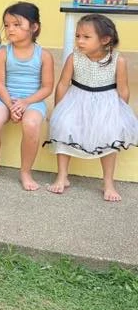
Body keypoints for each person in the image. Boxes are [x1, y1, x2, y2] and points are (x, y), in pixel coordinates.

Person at [45, 15, 138, 201]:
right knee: (63, 126)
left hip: (107, 103)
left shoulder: (118, 61)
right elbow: (63, 84)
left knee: (109, 134)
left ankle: (108, 182)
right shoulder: (74, 58)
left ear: (105, 40)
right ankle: (62, 176)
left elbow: (123, 90)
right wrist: (58, 109)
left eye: (86, 37)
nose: (80, 41)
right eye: (78, 36)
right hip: (77, 98)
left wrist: (119, 113)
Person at [0, 2, 54, 190]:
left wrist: (26, 102)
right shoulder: (3, 53)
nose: (10, 29)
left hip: (32, 100)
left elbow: (47, 87)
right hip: (5, 98)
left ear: (34, 27)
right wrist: (11, 105)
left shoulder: (44, 56)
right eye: (7, 24)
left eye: (17, 24)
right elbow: (0, 83)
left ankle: (25, 172)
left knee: (31, 124)